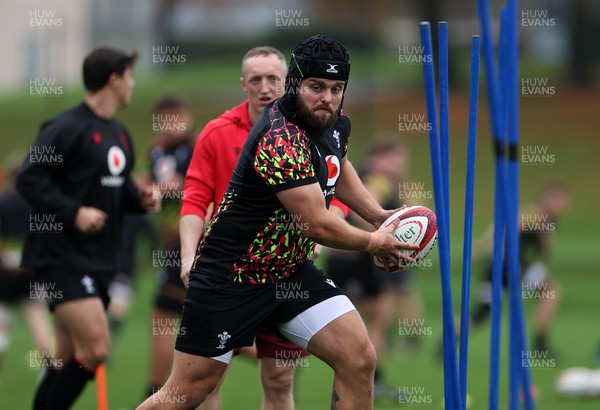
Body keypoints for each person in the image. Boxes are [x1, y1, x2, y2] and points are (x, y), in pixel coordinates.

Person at [138, 34, 417, 410]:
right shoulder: (280, 137)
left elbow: (339, 166)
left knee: (358, 357)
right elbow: (315, 224)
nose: (327, 98)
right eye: (316, 87)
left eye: (337, 89)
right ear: (294, 84)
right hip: (231, 276)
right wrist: (376, 242)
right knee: (187, 392)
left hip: (289, 273)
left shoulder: (334, 122)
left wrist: (380, 216)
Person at [16, 47, 161, 410]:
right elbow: (29, 178)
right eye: (128, 77)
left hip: (100, 260)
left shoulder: (120, 135)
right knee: (97, 348)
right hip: (60, 257)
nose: (132, 84)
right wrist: (74, 212)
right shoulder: (65, 128)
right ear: (113, 80)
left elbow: (114, 186)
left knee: (65, 360)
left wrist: (137, 197)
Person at [178, 46, 311, 410]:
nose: (265, 87)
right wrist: (188, 256)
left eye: (274, 79)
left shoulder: (306, 131)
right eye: (256, 80)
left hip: (285, 272)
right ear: (243, 84)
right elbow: (194, 198)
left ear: (288, 83)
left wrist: (324, 236)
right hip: (227, 272)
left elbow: (333, 194)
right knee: (205, 382)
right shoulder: (216, 133)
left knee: (280, 379)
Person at [326, 137, 425, 401]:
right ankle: (368, 381)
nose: (401, 165)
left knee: (358, 323)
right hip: (358, 258)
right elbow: (362, 215)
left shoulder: (363, 175)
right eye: (397, 159)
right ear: (381, 156)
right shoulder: (375, 178)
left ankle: (360, 380)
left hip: (345, 256)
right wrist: (382, 237)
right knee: (377, 320)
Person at [469, 182, 570, 354]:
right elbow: (505, 226)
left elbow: (542, 249)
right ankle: (540, 345)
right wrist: (486, 246)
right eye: (559, 199)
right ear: (548, 198)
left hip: (514, 266)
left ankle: (449, 339)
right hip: (509, 266)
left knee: (483, 312)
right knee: (551, 291)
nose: (563, 204)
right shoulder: (535, 214)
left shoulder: (548, 220)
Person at [141, 96, 197, 398]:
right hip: (169, 245)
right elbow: (149, 186)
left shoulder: (198, 147)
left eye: (176, 116)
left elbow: (213, 187)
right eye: (164, 118)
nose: (171, 124)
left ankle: (150, 396)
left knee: (164, 316)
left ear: (188, 116)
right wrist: (150, 190)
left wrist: (183, 186)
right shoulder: (157, 150)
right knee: (174, 321)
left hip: (191, 245)